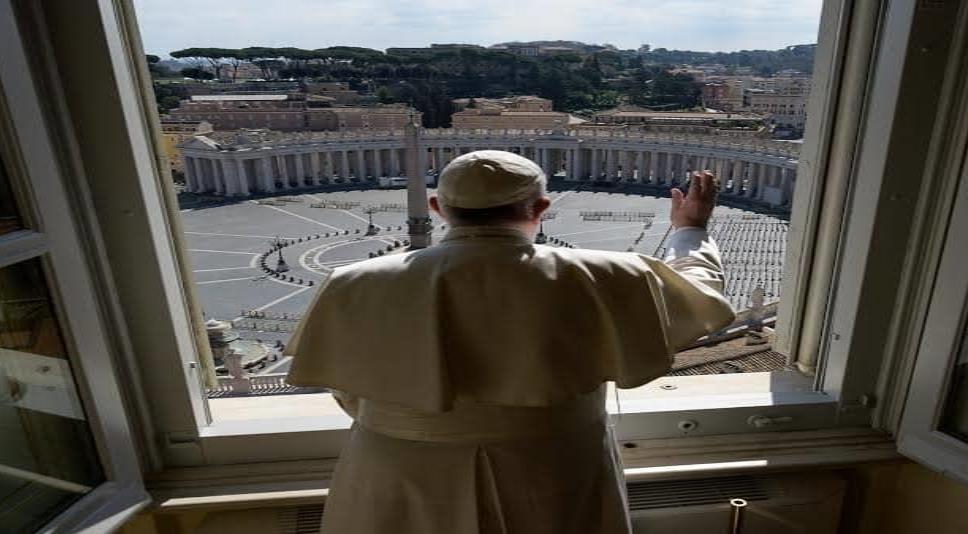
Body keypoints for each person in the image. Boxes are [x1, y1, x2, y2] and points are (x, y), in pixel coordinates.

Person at [286, 150, 735, 533]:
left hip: (397, 469)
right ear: (541, 207)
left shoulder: (351, 282)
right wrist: (690, 229)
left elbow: (346, 388)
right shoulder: (609, 274)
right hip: (551, 463)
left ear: (438, 207)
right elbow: (700, 298)